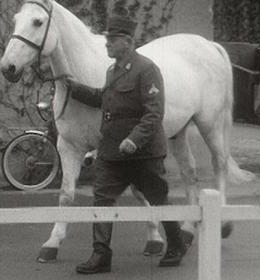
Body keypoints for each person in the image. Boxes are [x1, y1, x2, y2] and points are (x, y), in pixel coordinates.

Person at [67, 16, 188, 274]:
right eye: (107, 39)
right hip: (111, 152)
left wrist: (134, 139)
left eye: (112, 40)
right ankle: (101, 255)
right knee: (102, 199)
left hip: (142, 153)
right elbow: (104, 99)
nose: (107, 44)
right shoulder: (113, 71)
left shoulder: (147, 69)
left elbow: (154, 112)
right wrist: (72, 88)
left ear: (128, 42)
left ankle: (176, 245)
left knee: (158, 199)